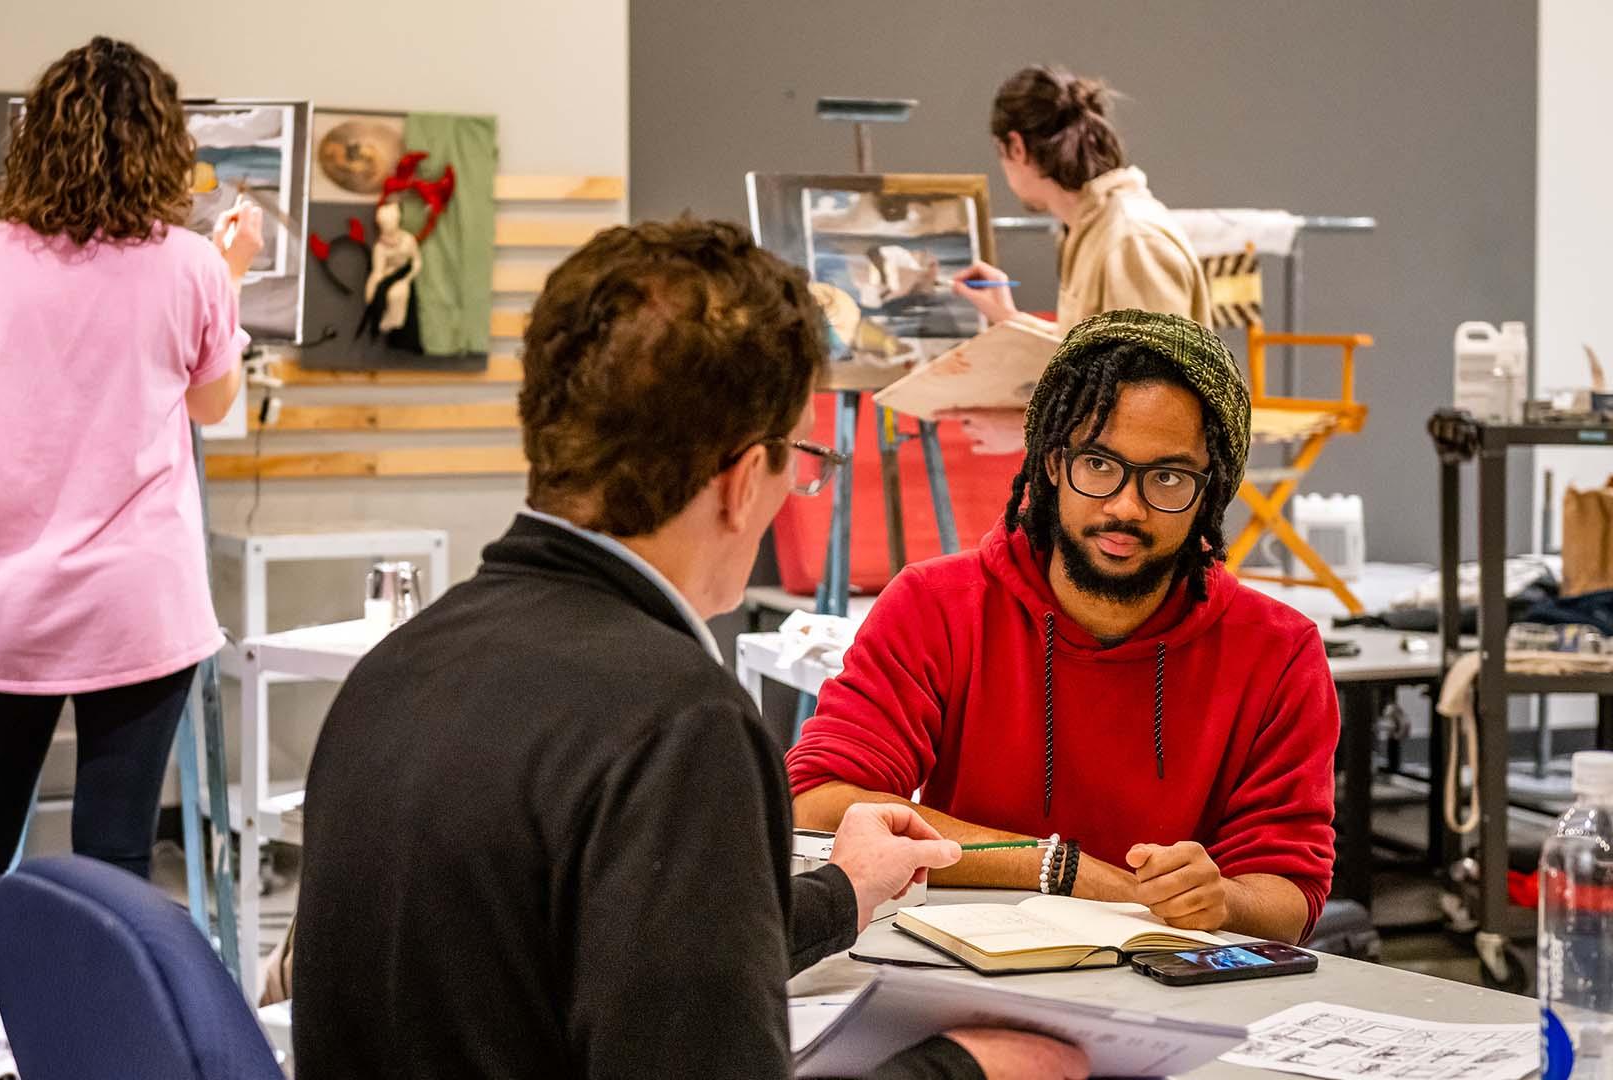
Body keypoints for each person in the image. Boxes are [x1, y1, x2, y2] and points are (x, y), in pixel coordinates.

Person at [292, 219, 1086, 1080]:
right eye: (803, 460)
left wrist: (843, 894)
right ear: (745, 481)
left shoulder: (401, 667)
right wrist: (963, 1071)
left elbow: (592, 938)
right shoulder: (677, 722)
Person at [0, 37, 263, 1080]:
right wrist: (229, 274)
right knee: (110, 868)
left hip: (6, 611)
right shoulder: (192, 265)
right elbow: (210, 403)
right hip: (137, 612)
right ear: (163, 143)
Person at [788, 311, 1336, 946]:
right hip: (964, 977)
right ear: (1052, 462)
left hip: (1176, 992)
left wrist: (1224, 899)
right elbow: (821, 803)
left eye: (1167, 478)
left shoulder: (1278, 651)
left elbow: (1289, 895)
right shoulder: (936, 605)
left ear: (1210, 492)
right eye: (1099, 465)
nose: (1125, 507)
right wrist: (1067, 871)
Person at [944, 66, 1212, 454]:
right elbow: (1100, 356)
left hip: (1141, 495)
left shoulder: (1130, 239)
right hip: (1112, 480)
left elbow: (1154, 401)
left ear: (1016, 148)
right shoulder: (1091, 230)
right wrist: (1011, 319)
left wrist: (1027, 429)